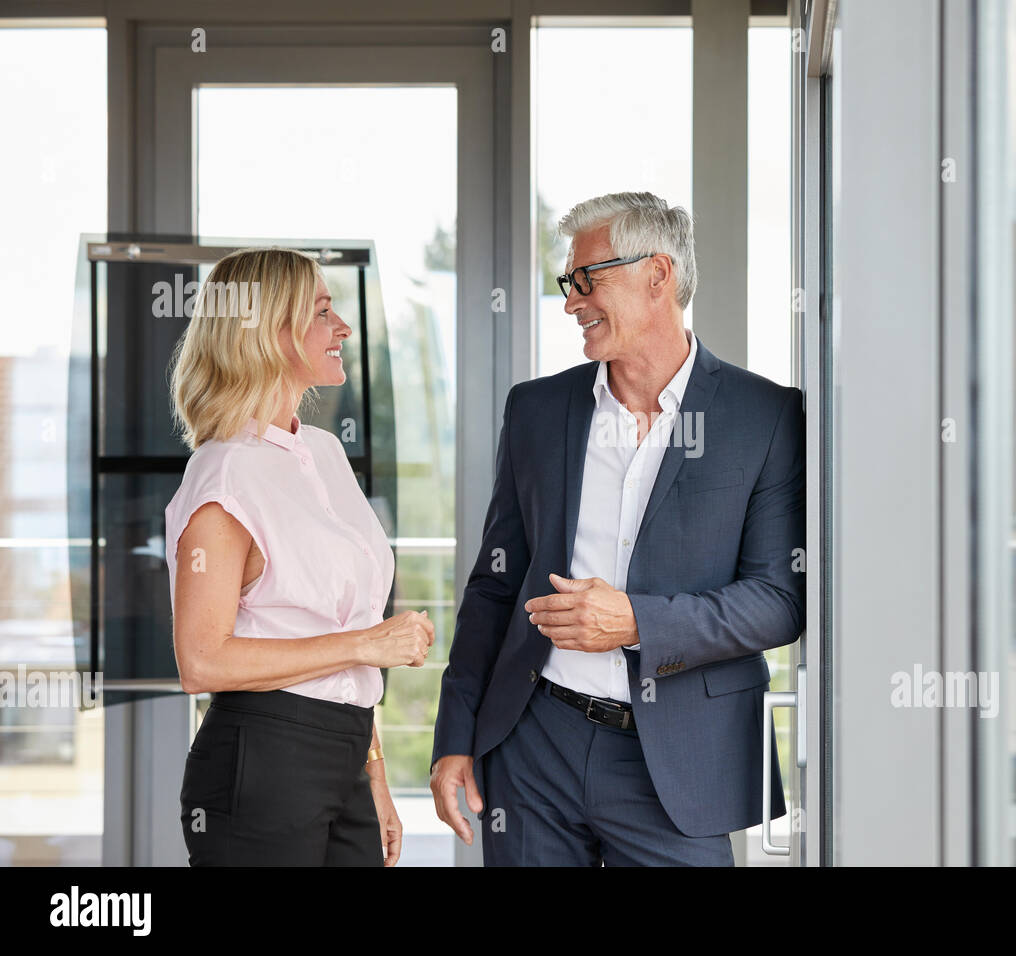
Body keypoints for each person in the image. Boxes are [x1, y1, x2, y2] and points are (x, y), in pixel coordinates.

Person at [430, 192, 806, 865]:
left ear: (657, 276)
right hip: (533, 743)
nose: (572, 301)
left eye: (586, 280)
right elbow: (493, 588)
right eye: (567, 284)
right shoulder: (538, 410)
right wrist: (454, 737)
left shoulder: (768, 417)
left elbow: (779, 600)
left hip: (681, 761)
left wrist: (636, 621)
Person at [165, 247, 434, 866]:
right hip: (264, 756)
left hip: (344, 752)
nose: (341, 327)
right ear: (267, 332)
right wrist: (365, 645)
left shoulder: (322, 452)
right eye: (321, 311)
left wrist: (374, 775)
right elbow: (201, 661)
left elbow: (341, 643)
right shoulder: (225, 474)